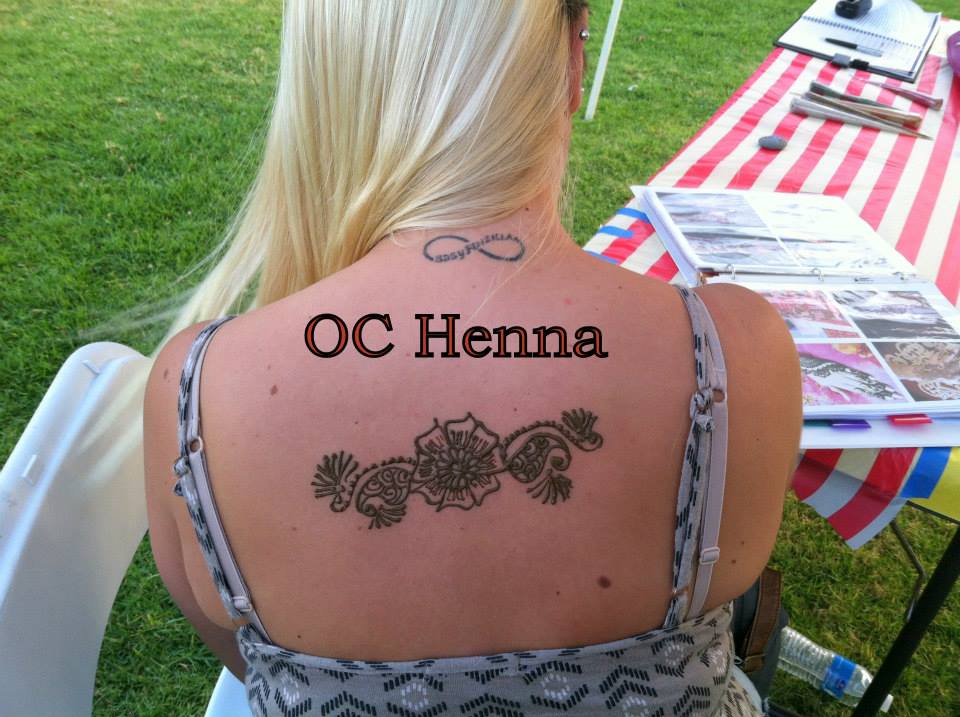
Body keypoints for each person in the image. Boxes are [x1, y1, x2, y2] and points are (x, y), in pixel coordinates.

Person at [142, 1, 803, 715]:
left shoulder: (197, 390)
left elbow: (247, 659)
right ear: (572, 61)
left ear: (329, 75)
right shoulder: (734, 352)